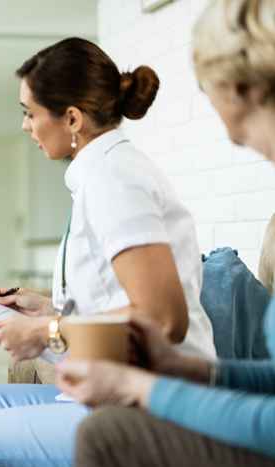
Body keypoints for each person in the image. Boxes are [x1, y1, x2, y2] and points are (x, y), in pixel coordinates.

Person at [0, 37, 217, 467]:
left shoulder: (114, 180)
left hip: (154, 406)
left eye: (30, 113)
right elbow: (117, 297)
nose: (25, 126)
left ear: (72, 118)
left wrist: (48, 331)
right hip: (114, 386)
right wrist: (43, 308)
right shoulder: (100, 173)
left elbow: (164, 318)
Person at [58, 1, 275, 465]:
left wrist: (143, 388)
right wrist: (187, 369)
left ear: (242, 89)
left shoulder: (114, 174)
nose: (226, 129)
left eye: (208, 91)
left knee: (106, 434)